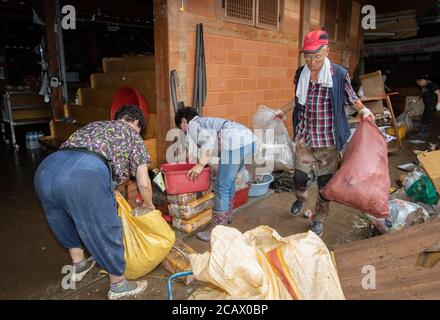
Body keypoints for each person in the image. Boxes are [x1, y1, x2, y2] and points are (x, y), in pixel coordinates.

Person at [34, 105, 154, 300]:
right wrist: (149, 205)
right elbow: (143, 181)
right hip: (84, 176)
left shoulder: (94, 125)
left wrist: (107, 186)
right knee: (104, 226)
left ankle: (79, 264)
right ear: (137, 123)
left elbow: (89, 156)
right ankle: (118, 285)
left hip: (47, 169)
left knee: (62, 219)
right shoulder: (133, 135)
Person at [275, 30, 374, 237]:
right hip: (305, 137)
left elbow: (350, 97)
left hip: (328, 141)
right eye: (308, 56)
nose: (311, 62)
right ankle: (300, 199)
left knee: (324, 185)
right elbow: (298, 99)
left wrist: (363, 109)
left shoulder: (338, 74)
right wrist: (281, 111)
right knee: (300, 177)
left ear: (327, 51)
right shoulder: (300, 73)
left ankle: (319, 220)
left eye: (317, 56)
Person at [175, 107, 256, 242]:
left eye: (181, 127)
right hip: (250, 141)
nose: (183, 130)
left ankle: (217, 231)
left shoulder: (193, 125)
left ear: (184, 121)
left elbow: (208, 142)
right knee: (228, 182)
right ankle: (226, 217)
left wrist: (200, 165)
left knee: (221, 186)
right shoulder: (205, 122)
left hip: (235, 143)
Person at [412, 74, 440, 140]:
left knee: (425, 120)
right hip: (428, 106)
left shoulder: (432, 85)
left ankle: (421, 135)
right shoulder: (425, 86)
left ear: (423, 80)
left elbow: (439, 93)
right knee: (427, 120)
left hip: (431, 105)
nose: (418, 84)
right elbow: (422, 94)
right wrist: (416, 100)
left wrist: (439, 103)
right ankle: (425, 135)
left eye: (419, 82)